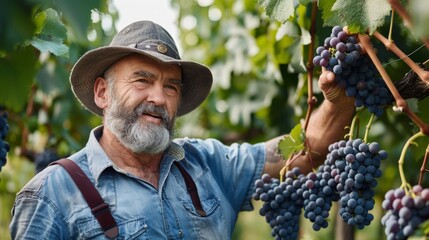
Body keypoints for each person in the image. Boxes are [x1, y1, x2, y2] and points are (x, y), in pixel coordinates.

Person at [9, 20, 355, 239]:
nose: (158, 98)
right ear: (102, 92)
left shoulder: (207, 163)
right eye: (142, 80)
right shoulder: (50, 196)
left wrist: (339, 99)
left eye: (171, 86)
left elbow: (305, 149)